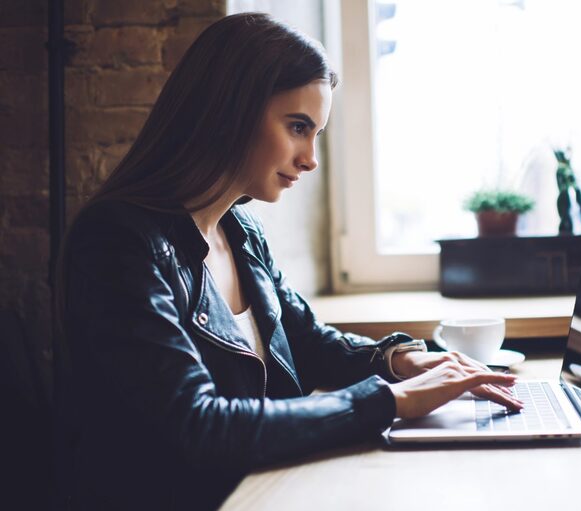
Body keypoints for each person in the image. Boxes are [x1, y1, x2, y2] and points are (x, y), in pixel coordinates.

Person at [53, 13, 522, 510]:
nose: (310, 159)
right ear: (229, 109)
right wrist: (392, 401)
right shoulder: (117, 239)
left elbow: (307, 341)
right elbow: (195, 423)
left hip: (275, 489)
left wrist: (400, 360)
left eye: (315, 133)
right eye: (298, 127)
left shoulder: (240, 231)